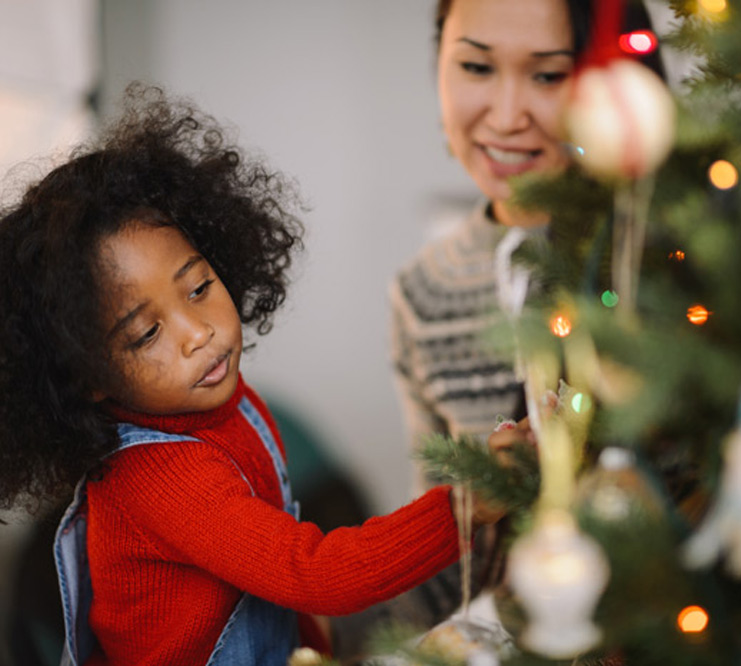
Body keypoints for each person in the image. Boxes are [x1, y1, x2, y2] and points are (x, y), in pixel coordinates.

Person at [0, 84, 505, 666]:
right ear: (87, 374)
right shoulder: (160, 481)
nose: (197, 332)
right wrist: (464, 507)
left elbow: (279, 585)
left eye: (198, 288)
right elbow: (313, 575)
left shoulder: (222, 403)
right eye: (147, 333)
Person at [383, 0, 669, 643]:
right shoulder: (423, 292)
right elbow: (437, 562)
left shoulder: (674, 260)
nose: (507, 116)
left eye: (548, 75)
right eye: (476, 67)